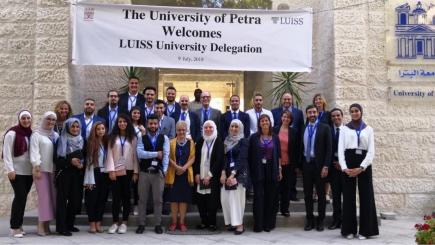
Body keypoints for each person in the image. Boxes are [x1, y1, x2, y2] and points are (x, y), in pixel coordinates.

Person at [338, 103, 378, 240]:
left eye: (357, 111)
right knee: (349, 197)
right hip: (349, 163)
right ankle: (349, 230)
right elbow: (340, 150)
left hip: (364, 164)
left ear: (361, 112)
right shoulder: (344, 129)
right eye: (352, 111)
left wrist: (361, 167)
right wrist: (344, 168)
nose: (354, 113)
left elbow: (371, 151)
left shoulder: (368, 129)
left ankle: (366, 231)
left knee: (366, 196)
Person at [135, 114, 169, 234]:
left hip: (158, 173)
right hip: (144, 173)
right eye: (150, 123)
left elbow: (165, 155)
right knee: (142, 200)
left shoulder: (164, 138)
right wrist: (155, 154)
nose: (153, 126)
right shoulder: (141, 137)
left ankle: (158, 224)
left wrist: (164, 171)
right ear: (147, 124)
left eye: (155, 123)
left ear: (158, 124)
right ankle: (141, 224)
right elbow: (140, 154)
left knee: (158, 200)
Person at [105, 114, 139, 234]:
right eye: (120, 122)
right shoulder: (112, 137)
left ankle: (124, 222)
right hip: (116, 170)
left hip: (129, 170)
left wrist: (135, 171)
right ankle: (115, 222)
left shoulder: (133, 138)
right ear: (117, 123)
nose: (122, 124)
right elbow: (109, 154)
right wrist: (111, 170)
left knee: (126, 197)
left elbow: (135, 155)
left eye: (124, 122)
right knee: (116, 198)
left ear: (128, 123)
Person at [301, 105, 332, 232]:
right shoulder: (303, 128)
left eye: (314, 112)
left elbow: (329, 149)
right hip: (307, 165)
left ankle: (320, 220)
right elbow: (300, 147)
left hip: (320, 166)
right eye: (309, 113)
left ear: (317, 113)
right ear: (306, 114)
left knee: (321, 194)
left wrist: (326, 166)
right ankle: (310, 219)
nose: (312, 114)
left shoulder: (325, 128)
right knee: (308, 194)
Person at [248, 114, 281, 232]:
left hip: (272, 170)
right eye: (262, 121)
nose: (264, 122)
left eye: (266, 120)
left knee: (270, 198)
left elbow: (279, 156)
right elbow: (250, 156)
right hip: (258, 170)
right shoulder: (253, 138)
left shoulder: (275, 137)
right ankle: (258, 224)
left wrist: (280, 170)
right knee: (258, 198)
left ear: (270, 122)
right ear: (259, 123)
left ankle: (268, 224)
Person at [2, 110, 33, 238]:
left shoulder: (31, 134)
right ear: (19, 119)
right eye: (23, 118)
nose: (26, 120)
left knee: (23, 198)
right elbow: (6, 152)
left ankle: (19, 225)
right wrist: (10, 169)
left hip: (28, 172)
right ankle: (14, 227)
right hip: (16, 171)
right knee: (20, 197)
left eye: (28, 118)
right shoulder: (12, 133)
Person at [30, 111, 59, 236]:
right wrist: (36, 166)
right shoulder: (36, 134)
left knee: (52, 198)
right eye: (49, 119)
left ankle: (47, 225)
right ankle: (40, 225)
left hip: (53, 171)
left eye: (53, 120)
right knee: (44, 198)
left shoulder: (55, 135)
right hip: (41, 170)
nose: (51, 122)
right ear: (44, 119)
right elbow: (34, 151)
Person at [271, 92, 304, 201]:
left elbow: (301, 130)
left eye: (289, 99)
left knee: (291, 175)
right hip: (280, 147)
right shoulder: (274, 112)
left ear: (292, 100)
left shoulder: (298, 113)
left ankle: (292, 194)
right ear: (281, 100)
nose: (287, 101)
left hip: (293, 146)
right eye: (285, 99)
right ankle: (279, 195)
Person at [55, 118, 85, 236]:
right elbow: (57, 160)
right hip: (64, 173)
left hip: (77, 174)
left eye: (77, 127)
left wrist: (81, 163)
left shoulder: (82, 140)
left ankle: (70, 224)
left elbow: (84, 156)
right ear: (67, 127)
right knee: (62, 201)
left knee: (75, 200)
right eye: (73, 126)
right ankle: (61, 227)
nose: (75, 129)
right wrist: (70, 161)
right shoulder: (61, 140)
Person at [193, 120, 224, 231]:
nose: (208, 129)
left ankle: (212, 223)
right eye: (206, 127)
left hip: (212, 177)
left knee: (212, 201)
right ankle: (204, 222)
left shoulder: (218, 141)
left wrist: (209, 176)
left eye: (210, 127)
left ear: (214, 128)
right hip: (201, 175)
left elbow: (219, 160)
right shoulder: (201, 140)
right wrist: (196, 173)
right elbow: (196, 159)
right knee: (202, 200)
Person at [165, 121, 195, 232]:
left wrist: (183, 168)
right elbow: (167, 156)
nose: (181, 131)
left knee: (183, 200)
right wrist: (177, 167)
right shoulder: (171, 142)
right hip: (174, 174)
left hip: (186, 175)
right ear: (176, 131)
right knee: (174, 200)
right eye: (179, 130)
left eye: (183, 129)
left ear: (186, 130)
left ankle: (181, 222)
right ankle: (174, 222)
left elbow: (193, 157)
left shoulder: (191, 143)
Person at [220, 119, 248, 235]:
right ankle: (232, 222)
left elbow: (242, 158)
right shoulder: (226, 141)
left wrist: (232, 174)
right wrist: (223, 173)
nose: (234, 129)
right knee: (225, 199)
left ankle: (240, 224)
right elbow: (224, 158)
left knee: (236, 200)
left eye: (236, 126)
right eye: (232, 126)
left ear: (240, 128)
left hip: (239, 174)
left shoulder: (243, 141)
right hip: (226, 174)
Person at [83, 122, 110, 233]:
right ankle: (92, 223)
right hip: (93, 172)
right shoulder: (90, 143)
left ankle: (98, 222)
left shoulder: (107, 142)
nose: (101, 131)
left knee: (102, 199)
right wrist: (88, 180)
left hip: (105, 173)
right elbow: (88, 162)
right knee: (91, 199)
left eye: (103, 128)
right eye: (98, 129)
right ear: (94, 130)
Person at [273, 110, 299, 217]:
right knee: (275, 187)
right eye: (284, 117)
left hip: (288, 163)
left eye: (288, 118)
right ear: (281, 117)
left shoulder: (294, 132)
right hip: (275, 163)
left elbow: (297, 149)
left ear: (290, 120)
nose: (286, 119)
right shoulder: (274, 130)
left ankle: (285, 209)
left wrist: (296, 165)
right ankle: (274, 208)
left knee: (286, 187)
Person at [328, 108, 344, 230]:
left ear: (342, 116)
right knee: (336, 196)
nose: (336, 118)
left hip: (345, 169)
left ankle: (346, 220)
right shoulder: (329, 130)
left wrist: (343, 164)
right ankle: (336, 220)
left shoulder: (347, 130)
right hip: (333, 168)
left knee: (347, 197)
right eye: (333, 116)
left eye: (338, 115)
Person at [130, 106, 145, 215]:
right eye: (134, 113)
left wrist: (143, 132)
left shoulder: (142, 127)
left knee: (137, 184)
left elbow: (145, 142)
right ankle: (124, 204)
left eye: (138, 113)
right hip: (127, 156)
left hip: (139, 158)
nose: (136, 115)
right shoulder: (127, 126)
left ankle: (136, 205)